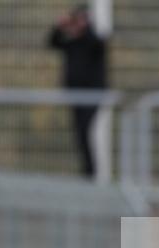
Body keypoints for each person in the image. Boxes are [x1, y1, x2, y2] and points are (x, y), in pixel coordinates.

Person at [48, 5, 108, 178]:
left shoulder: (94, 41)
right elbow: (52, 42)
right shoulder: (72, 43)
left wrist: (86, 26)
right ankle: (87, 172)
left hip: (92, 96)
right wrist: (59, 26)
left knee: (84, 130)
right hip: (75, 95)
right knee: (80, 134)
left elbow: (97, 43)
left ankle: (91, 173)